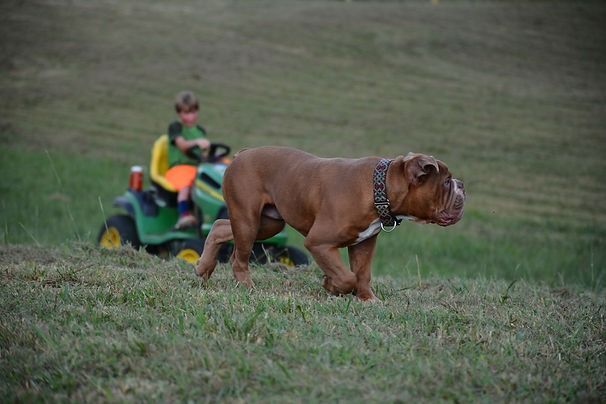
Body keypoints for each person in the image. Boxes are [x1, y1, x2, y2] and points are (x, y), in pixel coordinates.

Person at [165, 91, 210, 229]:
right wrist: (197, 142)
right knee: (187, 185)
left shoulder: (200, 130)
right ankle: (183, 215)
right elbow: (183, 146)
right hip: (178, 169)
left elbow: (205, 153)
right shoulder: (176, 127)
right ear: (179, 113)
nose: (190, 116)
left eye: (193, 112)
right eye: (186, 113)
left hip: (196, 168)